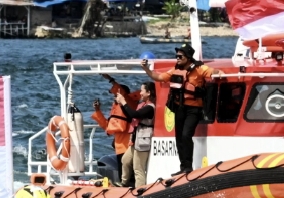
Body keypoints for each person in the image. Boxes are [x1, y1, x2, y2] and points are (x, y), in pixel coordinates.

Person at [140, 43, 219, 175]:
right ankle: (183, 167)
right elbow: (159, 77)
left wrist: (219, 73)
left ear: (188, 57)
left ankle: (188, 166)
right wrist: (145, 68)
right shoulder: (175, 70)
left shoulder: (200, 69)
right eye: (176, 56)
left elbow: (213, 72)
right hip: (179, 108)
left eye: (180, 56)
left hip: (194, 109)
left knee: (186, 135)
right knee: (179, 137)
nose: (177, 58)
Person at [92, 75, 139, 186]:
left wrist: (111, 79)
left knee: (130, 173)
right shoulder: (117, 110)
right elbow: (107, 127)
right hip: (119, 146)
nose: (114, 98)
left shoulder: (129, 105)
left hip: (128, 145)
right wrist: (97, 110)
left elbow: (123, 94)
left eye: (116, 95)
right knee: (123, 173)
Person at [115, 81, 156, 188]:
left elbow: (135, 114)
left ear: (149, 93)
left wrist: (123, 101)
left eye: (142, 90)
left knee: (138, 168)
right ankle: (124, 183)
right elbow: (130, 116)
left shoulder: (150, 108)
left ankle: (140, 190)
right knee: (125, 160)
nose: (140, 93)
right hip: (136, 140)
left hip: (142, 142)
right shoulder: (143, 105)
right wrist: (121, 104)